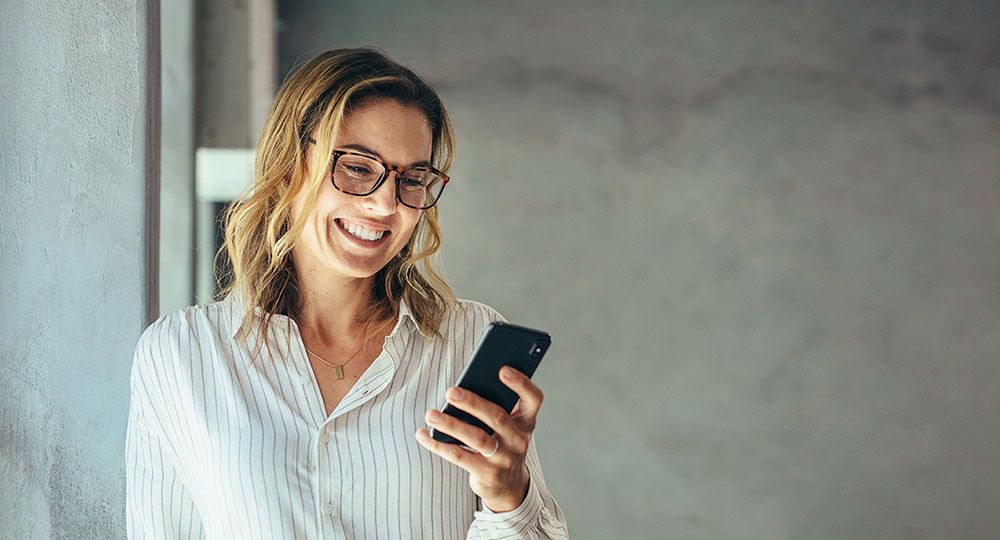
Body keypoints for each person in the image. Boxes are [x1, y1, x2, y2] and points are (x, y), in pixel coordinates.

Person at [125, 47, 570, 539]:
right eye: (358, 167)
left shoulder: (464, 341)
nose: (385, 205)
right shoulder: (182, 354)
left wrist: (509, 496)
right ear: (291, 162)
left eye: (412, 179)